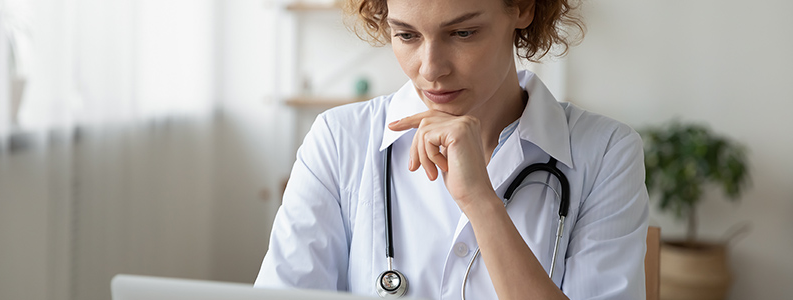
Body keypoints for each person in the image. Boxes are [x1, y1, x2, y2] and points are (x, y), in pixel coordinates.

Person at [256, 0, 649, 298]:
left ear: (523, 8)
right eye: (407, 35)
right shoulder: (339, 140)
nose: (430, 69)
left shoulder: (606, 152)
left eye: (462, 33)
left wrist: (481, 203)